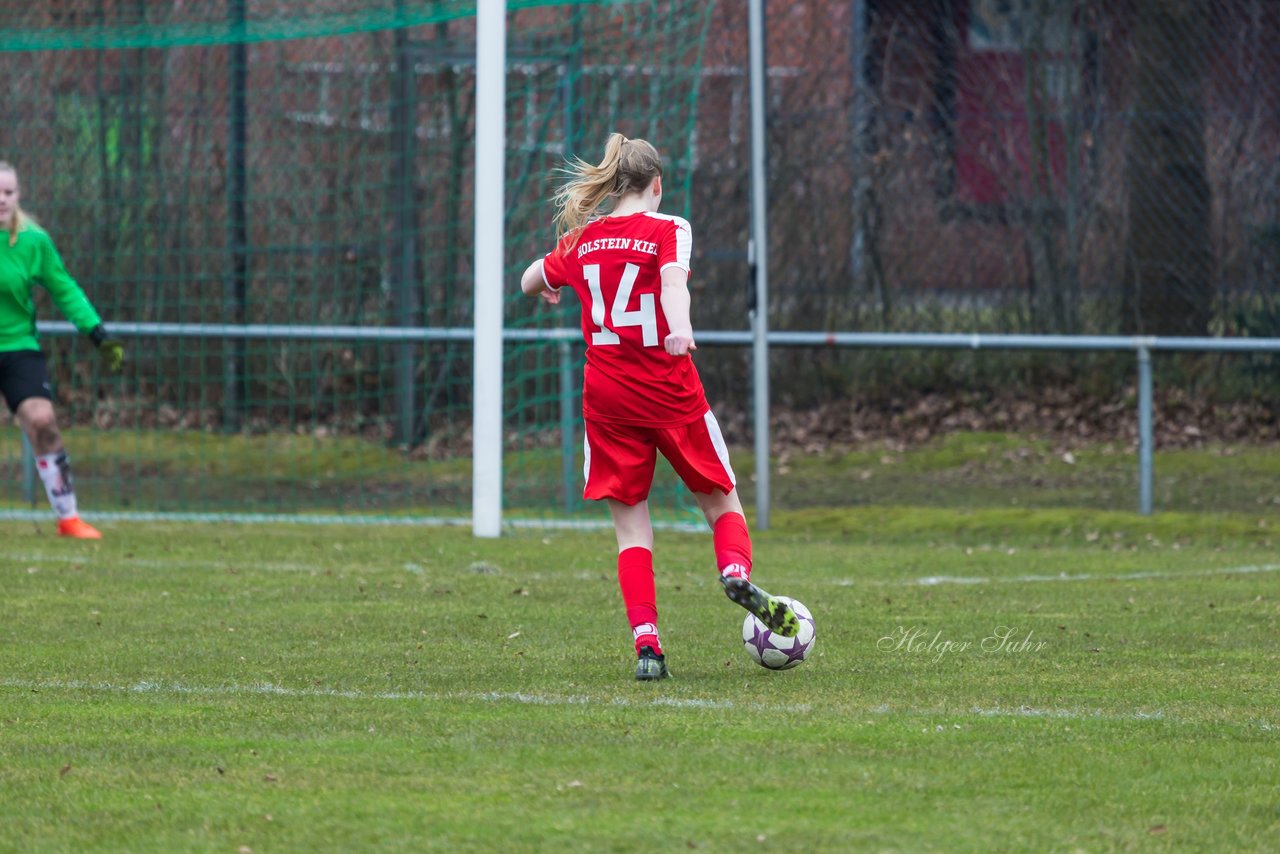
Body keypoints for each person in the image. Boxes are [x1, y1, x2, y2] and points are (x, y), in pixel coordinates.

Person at [520, 133, 797, 681]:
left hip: (607, 398)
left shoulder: (581, 239)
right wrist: (681, 328)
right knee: (723, 504)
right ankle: (734, 571)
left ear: (611, 184)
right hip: (668, 393)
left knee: (631, 530)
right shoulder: (669, 228)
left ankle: (648, 646)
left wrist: (545, 288)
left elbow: (531, 278)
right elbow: (673, 284)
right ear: (657, 185)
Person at [0, 161, 124, 539]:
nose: (2, 199)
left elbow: (64, 288)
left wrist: (96, 332)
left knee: (42, 422)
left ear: (18, 196)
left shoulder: (34, 241)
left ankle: (68, 518)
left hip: (18, 346)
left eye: (8, 192)